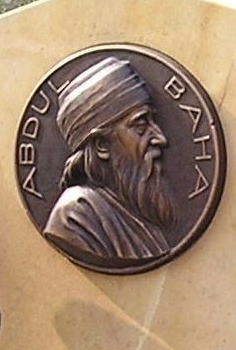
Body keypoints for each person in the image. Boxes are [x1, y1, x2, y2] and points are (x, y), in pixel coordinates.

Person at [43, 56, 174, 264]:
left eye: (153, 121)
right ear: (101, 146)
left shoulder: (139, 215)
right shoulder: (75, 216)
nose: (160, 138)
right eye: (140, 125)